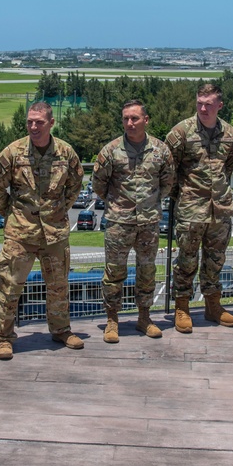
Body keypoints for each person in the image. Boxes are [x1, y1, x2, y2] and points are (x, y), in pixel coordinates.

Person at [0, 102, 84, 360]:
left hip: (55, 233)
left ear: (51, 123)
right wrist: (12, 213)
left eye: (39, 122)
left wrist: (59, 210)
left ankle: (61, 330)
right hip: (21, 233)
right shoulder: (13, 152)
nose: (33, 126)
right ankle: (4, 338)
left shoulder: (66, 153)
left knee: (58, 286)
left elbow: (75, 184)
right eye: (30, 121)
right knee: (9, 287)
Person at [92, 99, 175, 342]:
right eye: (126, 118)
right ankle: (112, 320)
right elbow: (99, 184)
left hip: (149, 223)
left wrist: (150, 202)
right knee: (114, 272)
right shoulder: (110, 151)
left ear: (146, 120)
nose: (130, 123)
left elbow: (167, 182)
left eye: (135, 118)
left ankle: (144, 318)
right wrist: (118, 205)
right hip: (119, 222)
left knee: (147, 271)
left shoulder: (160, 150)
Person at [165, 84, 233, 333]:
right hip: (190, 210)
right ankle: (183, 307)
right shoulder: (181, 133)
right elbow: (169, 170)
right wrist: (184, 197)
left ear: (220, 105)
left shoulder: (230, 134)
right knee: (186, 260)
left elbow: (227, 168)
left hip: (220, 209)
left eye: (209, 103)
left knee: (215, 261)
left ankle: (213, 306)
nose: (203, 108)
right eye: (199, 102)